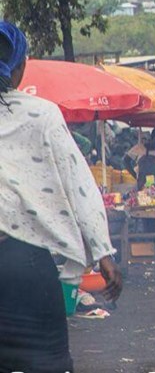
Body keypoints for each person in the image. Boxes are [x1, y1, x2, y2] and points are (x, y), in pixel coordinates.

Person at [0, 22, 122, 372]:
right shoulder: (41, 115)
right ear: (20, 67)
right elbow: (77, 184)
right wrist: (102, 253)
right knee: (48, 363)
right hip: (24, 267)